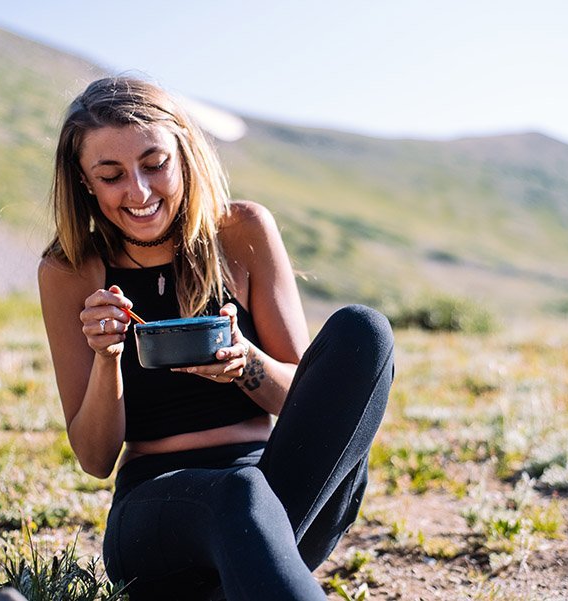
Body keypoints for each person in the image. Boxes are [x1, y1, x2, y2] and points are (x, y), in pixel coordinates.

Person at [38, 76, 394, 600]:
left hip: (283, 489)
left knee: (363, 333)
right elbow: (95, 458)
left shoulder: (242, 231)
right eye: (111, 175)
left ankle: (245, 579)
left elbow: (305, 404)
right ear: (85, 182)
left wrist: (245, 363)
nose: (138, 191)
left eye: (155, 165)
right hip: (156, 515)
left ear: (184, 155)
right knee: (238, 494)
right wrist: (106, 357)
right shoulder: (70, 270)